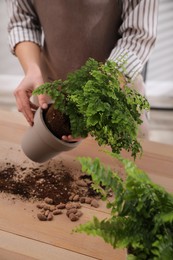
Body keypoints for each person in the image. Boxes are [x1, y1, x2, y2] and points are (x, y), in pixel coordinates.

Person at [6, 0, 159, 141]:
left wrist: (99, 94)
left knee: (126, 164)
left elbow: (139, 35)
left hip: (115, 90)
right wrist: (32, 69)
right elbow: (22, 21)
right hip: (50, 88)